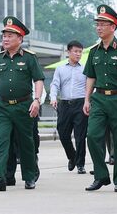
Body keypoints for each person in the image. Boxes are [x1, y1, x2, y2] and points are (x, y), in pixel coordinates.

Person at [0, 16, 45, 191]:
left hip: (23, 107)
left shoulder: (29, 58)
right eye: (4, 35)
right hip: (3, 107)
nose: (5, 38)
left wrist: (37, 101)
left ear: (20, 39)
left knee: (26, 142)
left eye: (10, 35)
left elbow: (39, 80)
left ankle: (29, 177)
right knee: (2, 141)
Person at [83, 5, 117, 193]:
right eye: (97, 24)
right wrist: (87, 99)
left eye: (103, 24)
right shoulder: (94, 51)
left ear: (113, 27)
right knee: (92, 135)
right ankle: (101, 175)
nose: (99, 28)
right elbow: (90, 76)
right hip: (98, 99)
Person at [50, 40, 88, 174]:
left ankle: (80, 164)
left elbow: (89, 86)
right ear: (68, 52)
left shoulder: (85, 68)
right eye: (75, 51)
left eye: (80, 52)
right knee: (63, 134)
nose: (78, 54)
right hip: (65, 104)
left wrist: (88, 101)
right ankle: (72, 157)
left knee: (80, 136)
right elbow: (55, 85)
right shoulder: (60, 69)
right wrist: (53, 98)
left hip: (80, 104)